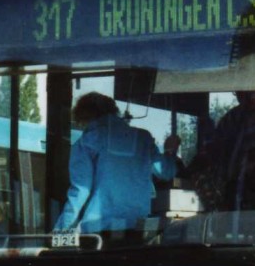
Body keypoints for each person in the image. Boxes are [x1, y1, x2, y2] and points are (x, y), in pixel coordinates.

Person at [54, 92, 180, 233]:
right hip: (137, 227)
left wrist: (62, 228)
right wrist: (170, 151)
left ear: (85, 118)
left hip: (99, 228)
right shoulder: (143, 138)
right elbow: (166, 172)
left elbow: (80, 190)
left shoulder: (87, 141)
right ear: (114, 111)